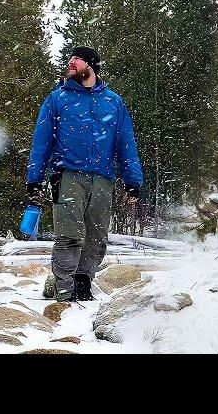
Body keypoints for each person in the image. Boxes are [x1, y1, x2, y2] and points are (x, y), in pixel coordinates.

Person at [25, 46, 143, 301]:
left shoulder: (113, 101)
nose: (71, 63)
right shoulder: (58, 99)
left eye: (77, 59)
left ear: (91, 65)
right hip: (67, 175)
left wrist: (133, 181)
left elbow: (126, 143)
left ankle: (83, 283)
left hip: (103, 178)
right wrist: (34, 179)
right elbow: (41, 142)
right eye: (70, 59)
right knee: (69, 235)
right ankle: (64, 291)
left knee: (97, 236)